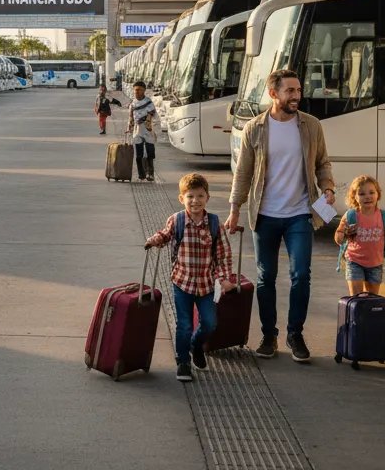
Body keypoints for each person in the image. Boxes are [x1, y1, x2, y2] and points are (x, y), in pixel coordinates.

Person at [226, 69, 336, 363]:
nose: (296, 96)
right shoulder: (256, 128)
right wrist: (235, 209)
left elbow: (323, 163)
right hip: (265, 214)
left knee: (301, 274)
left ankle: (295, 334)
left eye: (298, 90)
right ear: (273, 94)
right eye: (290, 91)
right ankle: (269, 334)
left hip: (301, 213)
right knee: (266, 277)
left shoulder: (311, 126)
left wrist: (327, 188)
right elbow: (244, 172)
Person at [145, 173, 236, 382]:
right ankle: (183, 362)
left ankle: (196, 346)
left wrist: (223, 278)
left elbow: (223, 255)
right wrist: (154, 240)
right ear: (181, 199)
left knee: (210, 323)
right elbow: (165, 234)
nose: (195, 201)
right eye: (190, 196)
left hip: (206, 285)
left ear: (207, 198)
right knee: (184, 324)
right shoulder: (176, 220)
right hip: (182, 282)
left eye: (200, 196)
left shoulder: (214, 223)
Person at [334, 175, 385, 296]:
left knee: (372, 300)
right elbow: (338, 238)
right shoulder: (350, 216)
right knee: (356, 299)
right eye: (362, 194)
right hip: (354, 261)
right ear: (354, 196)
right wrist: (344, 232)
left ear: (378, 195)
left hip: (375, 264)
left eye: (371, 192)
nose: (367, 196)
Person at [127, 81, 158, 180]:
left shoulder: (149, 102)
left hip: (148, 129)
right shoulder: (133, 104)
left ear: (144, 90)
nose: (137, 92)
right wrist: (129, 127)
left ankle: (150, 173)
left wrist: (149, 120)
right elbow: (131, 117)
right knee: (138, 155)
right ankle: (141, 174)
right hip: (137, 130)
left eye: (139, 90)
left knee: (150, 153)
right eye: (135, 90)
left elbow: (153, 112)